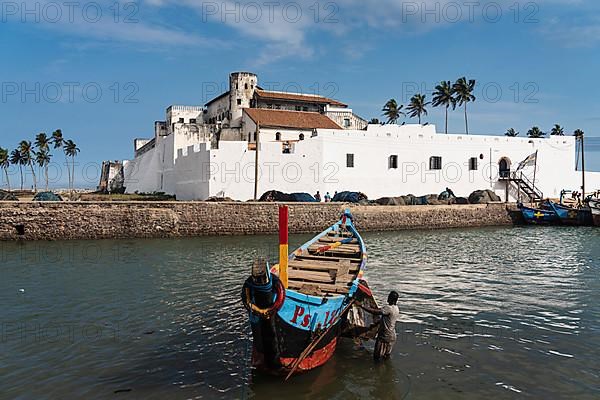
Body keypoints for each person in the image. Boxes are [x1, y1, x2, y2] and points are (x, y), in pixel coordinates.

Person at [361, 291, 400, 361]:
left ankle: (377, 370)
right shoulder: (396, 308)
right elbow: (386, 319)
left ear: (392, 299)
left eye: (389, 297)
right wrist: (375, 324)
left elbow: (374, 311)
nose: (388, 298)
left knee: (376, 357)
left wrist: (361, 306)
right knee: (386, 356)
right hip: (392, 336)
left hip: (384, 336)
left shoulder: (389, 308)